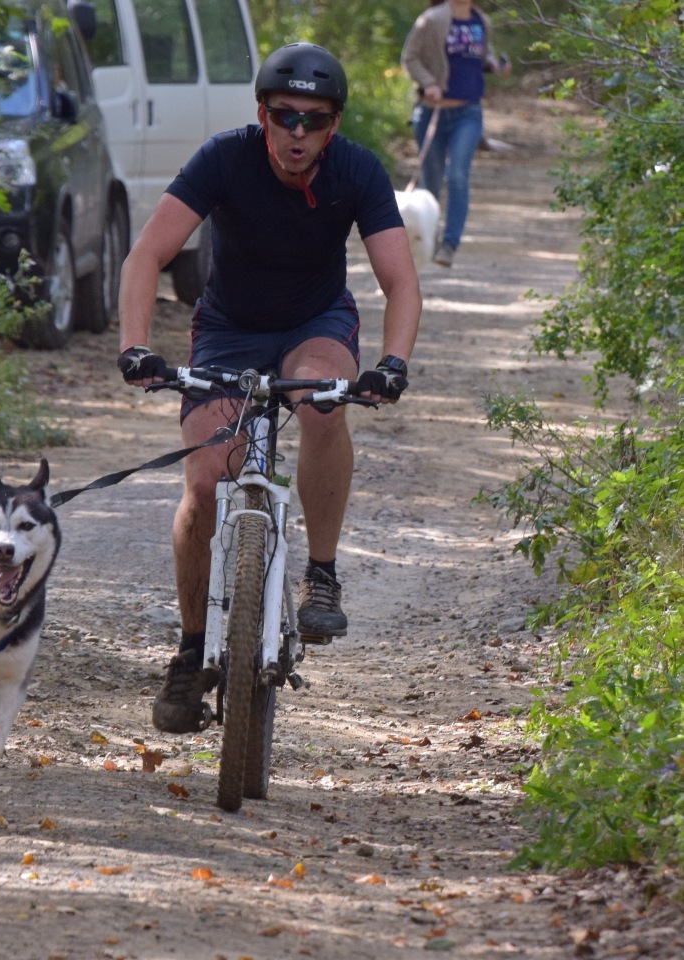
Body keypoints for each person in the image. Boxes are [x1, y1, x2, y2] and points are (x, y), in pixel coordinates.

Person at [116, 42, 422, 734]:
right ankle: (192, 652)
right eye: (283, 116)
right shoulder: (223, 158)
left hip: (315, 323)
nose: (296, 132)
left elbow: (400, 282)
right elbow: (147, 254)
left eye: (313, 120)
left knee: (320, 401)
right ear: (261, 115)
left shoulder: (357, 171)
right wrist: (134, 345)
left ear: (333, 126)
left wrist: (392, 362)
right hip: (228, 328)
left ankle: (320, 571)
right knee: (201, 483)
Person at [401, 0, 511, 267]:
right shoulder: (431, 20)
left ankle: (449, 245)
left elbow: (481, 56)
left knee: (458, 175)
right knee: (431, 181)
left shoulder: (481, 22)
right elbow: (409, 58)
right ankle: (430, 239)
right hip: (432, 112)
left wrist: (495, 66)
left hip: (468, 112)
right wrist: (428, 83)